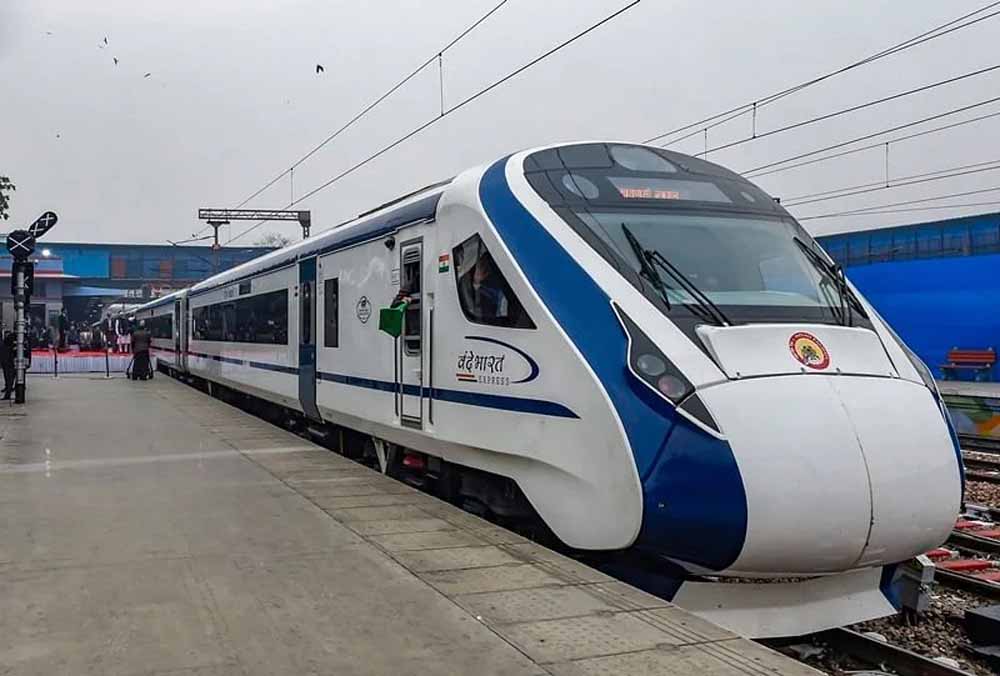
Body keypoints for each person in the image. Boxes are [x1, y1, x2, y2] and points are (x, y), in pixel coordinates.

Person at [1, 330, 15, 400]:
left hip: (8, 362)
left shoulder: (6, 343)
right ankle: (8, 390)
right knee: (9, 378)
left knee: (9, 377)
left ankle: (8, 392)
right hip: (7, 361)